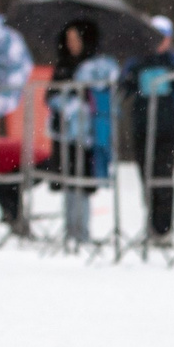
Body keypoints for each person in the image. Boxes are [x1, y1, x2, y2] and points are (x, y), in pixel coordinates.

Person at [48, 19, 120, 244]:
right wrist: (65, 103)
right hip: (64, 132)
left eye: (76, 39)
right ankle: (70, 229)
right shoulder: (63, 65)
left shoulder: (97, 66)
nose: (72, 44)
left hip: (87, 134)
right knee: (67, 178)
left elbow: (104, 95)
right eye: (68, 39)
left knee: (83, 180)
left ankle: (82, 231)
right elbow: (49, 96)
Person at [124, 16, 174, 243]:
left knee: (164, 176)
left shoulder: (173, 60)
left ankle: (164, 228)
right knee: (146, 176)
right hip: (142, 126)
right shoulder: (137, 60)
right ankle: (152, 225)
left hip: (167, 127)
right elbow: (125, 86)